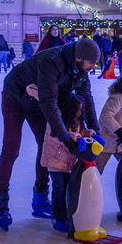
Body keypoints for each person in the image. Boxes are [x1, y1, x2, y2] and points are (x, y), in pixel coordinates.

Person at [0, 38, 101, 231]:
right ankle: (1, 201)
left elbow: (87, 98)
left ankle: (40, 198)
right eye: (91, 62)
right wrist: (66, 138)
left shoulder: (81, 71)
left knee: (46, 147)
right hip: (15, 98)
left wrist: (96, 130)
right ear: (78, 58)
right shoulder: (52, 61)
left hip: (38, 102)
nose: (93, 67)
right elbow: (49, 102)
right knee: (11, 149)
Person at [40, 92, 86, 232]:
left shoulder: (76, 121)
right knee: (59, 189)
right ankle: (57, 216)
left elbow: (79, 134)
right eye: (77, 109)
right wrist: (71, 136)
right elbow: (54, 137)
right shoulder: (56, 120)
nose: (79, 112)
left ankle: (65, 213)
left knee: (67, 188)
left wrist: (87, 133)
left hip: (69, 163)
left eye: (81, 109)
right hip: (55, 161)